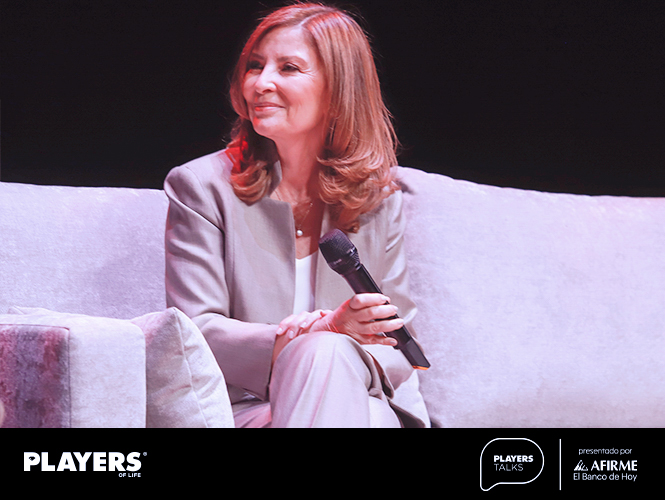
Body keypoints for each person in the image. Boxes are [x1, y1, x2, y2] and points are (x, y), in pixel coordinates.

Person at [164, 2, 428, 427]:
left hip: (361, 400)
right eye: (255, 66)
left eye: (288, 68)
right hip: (247, 410)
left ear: (338, 89)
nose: (261, 83)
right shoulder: (201, 187)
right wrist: (318, 334)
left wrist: (339, 352)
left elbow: (399, 343)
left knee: (342, 375)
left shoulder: (378, 199)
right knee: (327, 357)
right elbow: (195, 333)